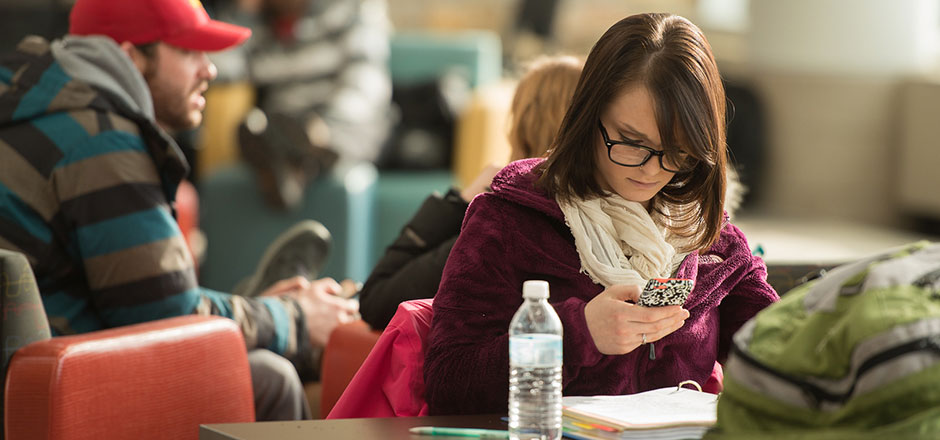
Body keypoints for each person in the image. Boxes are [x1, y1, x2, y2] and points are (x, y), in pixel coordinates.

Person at [0, 0, 358, 421]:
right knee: (267, 377)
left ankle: (247, 307)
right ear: (130, 56)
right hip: (55, 395)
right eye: (189, 52)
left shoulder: (37, 107)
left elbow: (143, 300)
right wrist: (295, 319)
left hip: (35, 373)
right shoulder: (100, 142)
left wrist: (256, 312)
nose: (210, 70)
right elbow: (171, 318)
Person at [423, 13, 779, 415]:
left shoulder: (710, 237)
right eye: (631, 142)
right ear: (588, 116)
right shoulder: (509, 218)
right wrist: (577, 333)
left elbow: (778, 358)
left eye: (677, 151)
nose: (651, 169)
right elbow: (448, 384)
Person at [358, 55, 583, 330]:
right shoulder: (596, 215)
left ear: (521, 133)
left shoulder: (504, 221)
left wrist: (460, 201)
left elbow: (375, 300)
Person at [210, 0, 392, 208]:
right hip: (286, 122)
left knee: (344, 131)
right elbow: (215, 68)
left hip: (349, 121)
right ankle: (295, 161)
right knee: (273, 128)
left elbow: (365, 84)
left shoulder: (353, 7)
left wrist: (324, 127)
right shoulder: (258, 22)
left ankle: (294, 163)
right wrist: (244, 15)